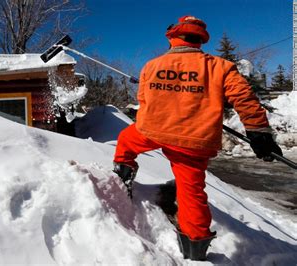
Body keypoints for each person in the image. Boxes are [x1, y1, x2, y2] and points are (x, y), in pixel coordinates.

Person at [113, 15, 283, 261]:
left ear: (172, 36)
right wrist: (259, 132)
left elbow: (143, 100)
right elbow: (245, 99)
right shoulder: (221, 67)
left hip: (151, 131)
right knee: (191, 192)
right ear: (200, 40)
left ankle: (123, 174)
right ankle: (194, 249)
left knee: (125, 142)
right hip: (193, 140)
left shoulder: (151, 66)